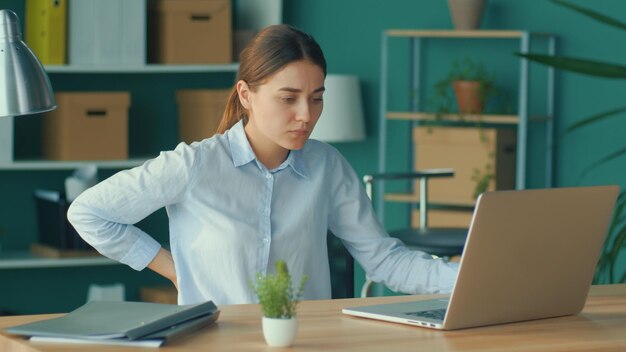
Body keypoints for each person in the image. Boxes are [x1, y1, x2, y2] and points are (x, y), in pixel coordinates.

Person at [68, 24, 458, 306]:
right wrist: (173, 269)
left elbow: (385, 259)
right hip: (218, 342)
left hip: (308, 342)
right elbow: (87, 212)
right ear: (246, 95)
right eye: (288, 98)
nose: (306, 115)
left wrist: (468, 278)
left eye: (316, 97)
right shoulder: (194, 164)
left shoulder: (328, 167)